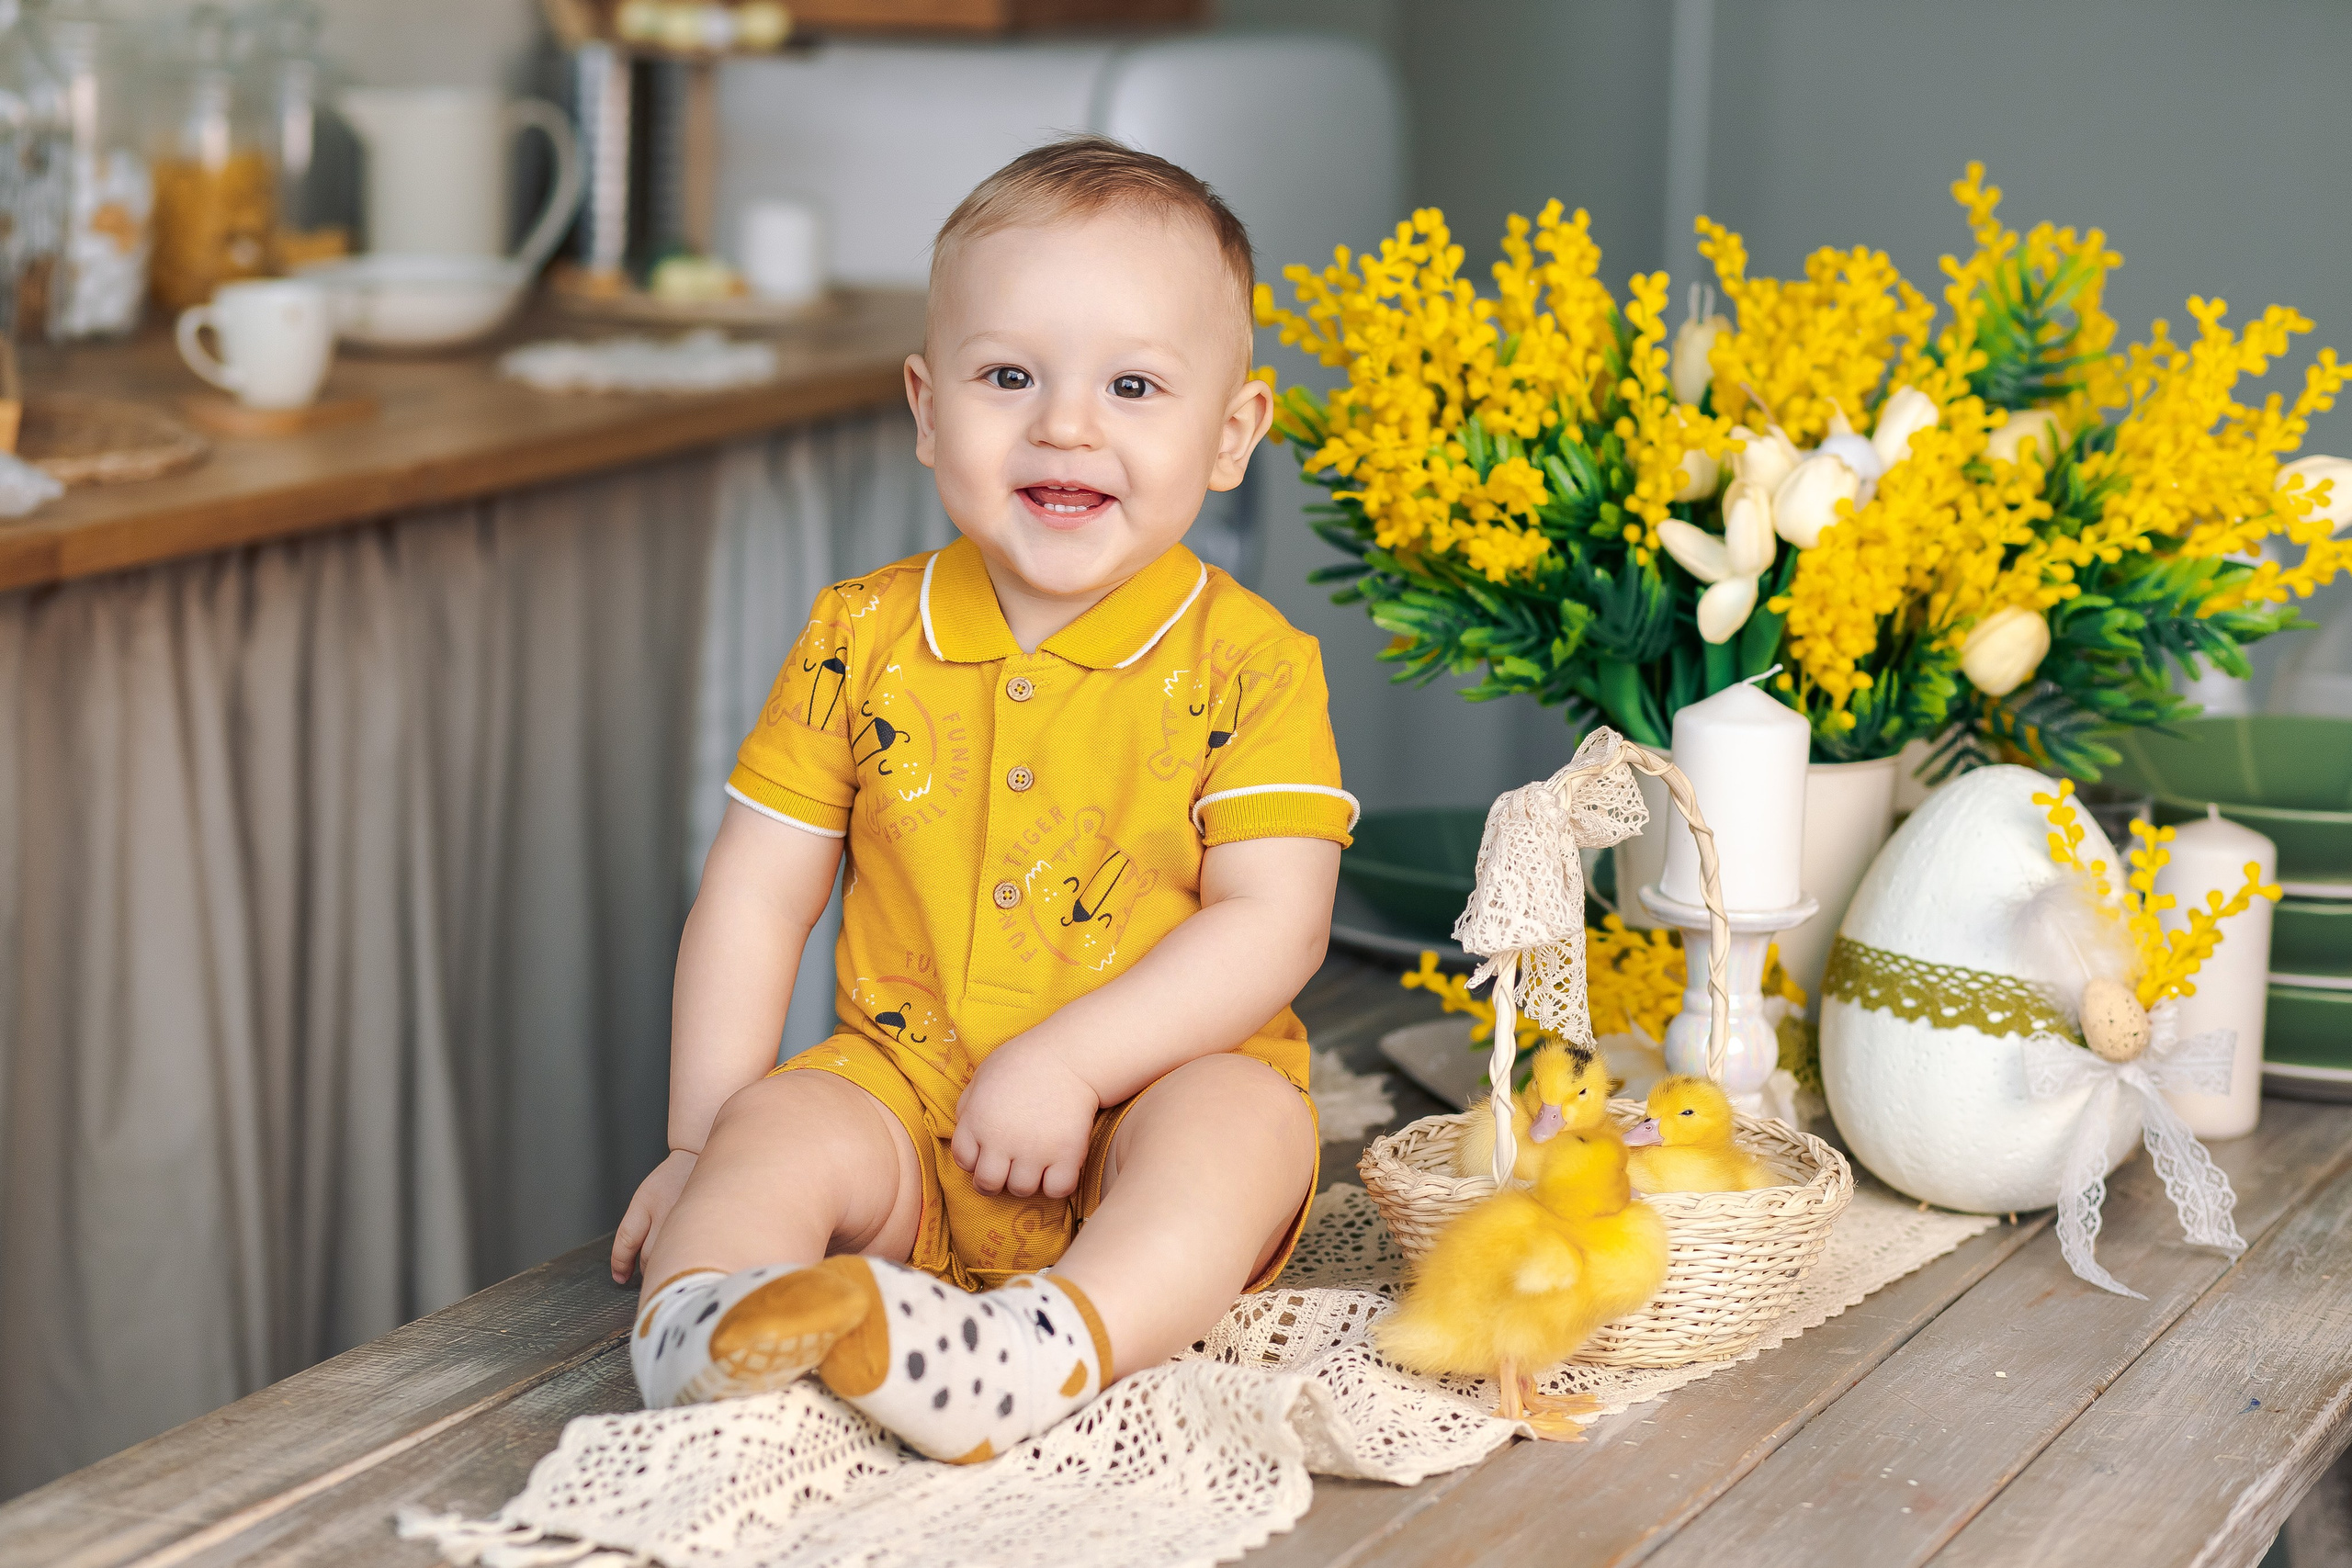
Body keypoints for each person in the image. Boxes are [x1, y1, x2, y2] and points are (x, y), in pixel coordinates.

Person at [612, 135, 1355, 1465]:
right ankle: (710, 1315)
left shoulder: (1250, 666)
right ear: (926, 406)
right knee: (776, 1125)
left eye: (1134, 385)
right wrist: (693, 1143)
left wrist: (1072, 1064)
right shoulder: (861, 635)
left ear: (1233, 431)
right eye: (1009, 375)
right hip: (907, 1107)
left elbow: (1274, 925)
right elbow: (754, 894)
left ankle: (1043, 1347)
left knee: (1249, 1128)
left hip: (1144, 1108)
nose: (1066, 424)